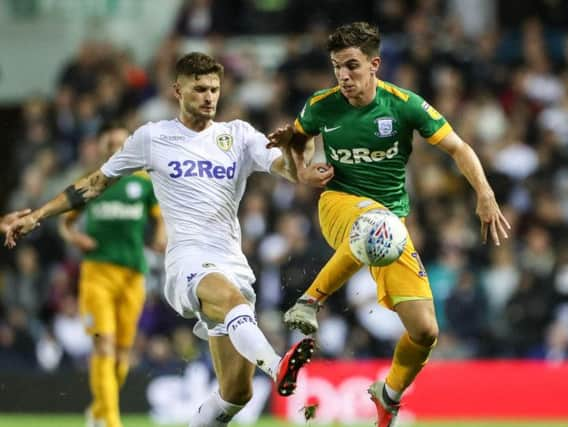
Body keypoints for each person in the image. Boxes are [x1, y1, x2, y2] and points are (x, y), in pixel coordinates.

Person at [5, 52, 319, 427]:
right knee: (232, 302)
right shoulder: (153, 137)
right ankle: (278, 365)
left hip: (232, 262)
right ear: (177, 90)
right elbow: (94, 183)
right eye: (199, 88)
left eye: (214, 89)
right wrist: (37, 215)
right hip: (187, 261)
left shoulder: (237, 135)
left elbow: (293, 172)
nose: (209, 96)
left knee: (237, 395)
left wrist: (300, 143)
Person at [267, 22, 511, 427]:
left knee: (425, 331)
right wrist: (303, 169)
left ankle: (390, 394)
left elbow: (458, 147)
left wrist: (484, 194)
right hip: (339, 206)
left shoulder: (403, 104)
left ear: (374, 64)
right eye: (336, 67)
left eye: (351, 66)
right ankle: (309, 301)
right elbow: (298, 140)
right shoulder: (321, 104)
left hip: (389, 226)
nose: (343, 76)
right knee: (373, 223)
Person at [57, 122, 165, 427]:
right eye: (110, 144)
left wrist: (159, 235)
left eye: (121, 143)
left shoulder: (144, 184)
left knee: (122, 353)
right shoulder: (92, 183)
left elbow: (160, 219)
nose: (115, 149)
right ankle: (112, 421)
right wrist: (75, 238)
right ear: (103, 150)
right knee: (102, 345)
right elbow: (64, 222)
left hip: (133, 274)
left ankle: (99, 411)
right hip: (97, 273)